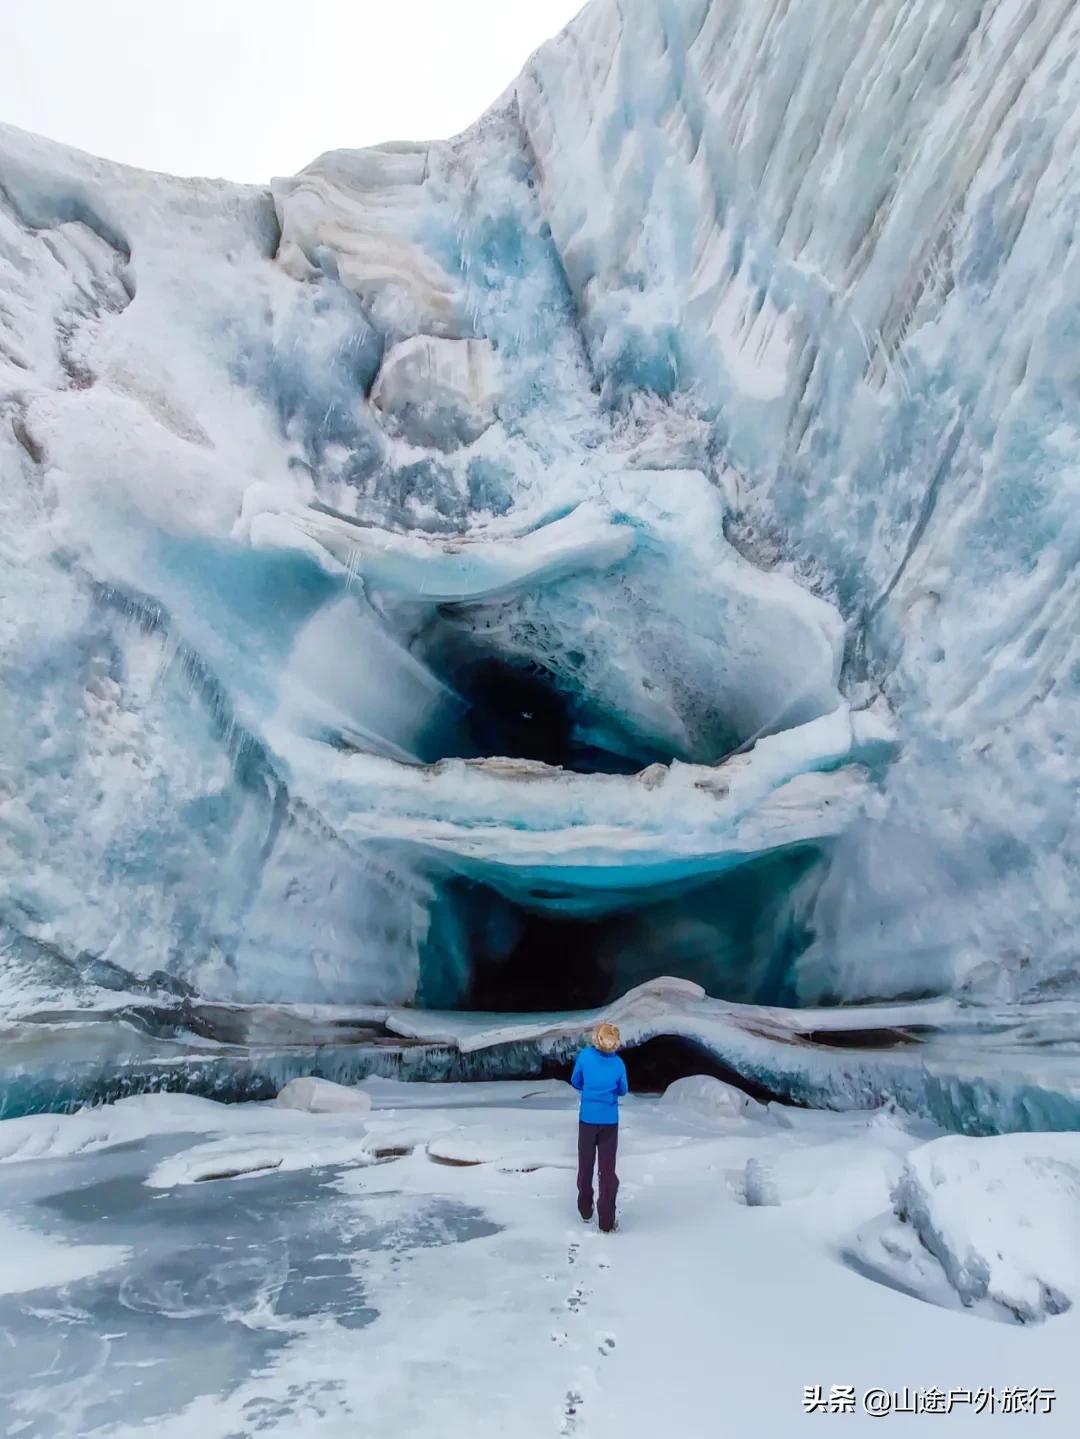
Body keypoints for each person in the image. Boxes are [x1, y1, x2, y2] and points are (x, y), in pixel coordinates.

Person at [570, 1022, 628, 1233]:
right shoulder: (618, 1064)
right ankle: (606, 1221)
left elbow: (576, 1081)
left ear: (596, 1039)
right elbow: (623, 1090)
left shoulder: (585, 1056)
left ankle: (585, 1210)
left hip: (587, 1120)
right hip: (609, 1122)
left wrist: (591, 1089)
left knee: (585, 1165)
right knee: (607, 1170)